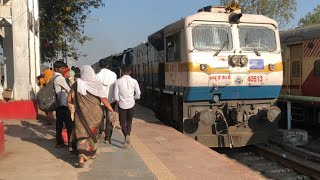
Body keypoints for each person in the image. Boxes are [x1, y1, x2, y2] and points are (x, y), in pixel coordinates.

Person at [67, 65, 115, 168]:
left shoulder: (76, 84)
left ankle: (80, 159)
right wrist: (111, 109)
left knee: (81, 135)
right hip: (95, 115)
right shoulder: (96, 84)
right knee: (92, 134)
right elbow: (103, 99)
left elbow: (69, 99)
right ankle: (91, 153)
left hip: (81, 115)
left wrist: (77, 103)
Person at [114, 65, 141, 147]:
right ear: (130, 72)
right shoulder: (134, 81)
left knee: (122, 123)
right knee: (129, 121)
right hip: (131, 104)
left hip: (121, 104)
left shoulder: (118, 81)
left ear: (122, 71)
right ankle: (128, 135)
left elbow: (116, 95)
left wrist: (117, 101)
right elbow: (138, 94)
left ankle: (126, 136)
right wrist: (134, 98)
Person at [53, 61, 73, 148]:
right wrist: (71, 80)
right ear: (57, 69)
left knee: (59, 124)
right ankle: (71, 145)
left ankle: (59, 142)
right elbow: (69, 90)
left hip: (58, 103)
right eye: (62, 68)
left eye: (64, 68)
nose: (64, 70)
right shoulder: (60, 78)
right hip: (64, 104)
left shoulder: (53, 77)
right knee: (69, 125)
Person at [96, 59, 117, 144]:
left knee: (100, 118)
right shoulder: (114, 75)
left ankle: (100, 133)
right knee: (110, 119)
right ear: (107, 65)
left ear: (99, 66)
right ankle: (108, 138)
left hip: (100, 100)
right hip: (111, 101)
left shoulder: (96, 76)